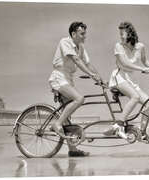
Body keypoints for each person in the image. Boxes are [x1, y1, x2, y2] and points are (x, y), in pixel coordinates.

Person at [48, 21, 102, 157]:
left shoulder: (81, 47)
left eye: (85, 34)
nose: (85, 36)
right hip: (59, 77)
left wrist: (100, 78)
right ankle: (57, 124)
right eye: (82, 34)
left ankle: (72, 150)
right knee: (79, 99)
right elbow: (77, 60)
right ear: (73, 34)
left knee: (67, 114)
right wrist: (91, 75)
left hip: (68, 79)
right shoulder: (65, 42)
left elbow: (88, 63)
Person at [104, 21, 149, 140]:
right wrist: (141, 69)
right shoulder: (118, 46)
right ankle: (119, 125)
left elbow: (145, 60)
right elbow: (124, 63)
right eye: (119, 34)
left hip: (131, 79)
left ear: (130, 33)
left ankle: (141, 132)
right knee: (135, 97)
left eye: (122, 34)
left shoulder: (140, 46)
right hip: (119, 76)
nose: (120, 36)